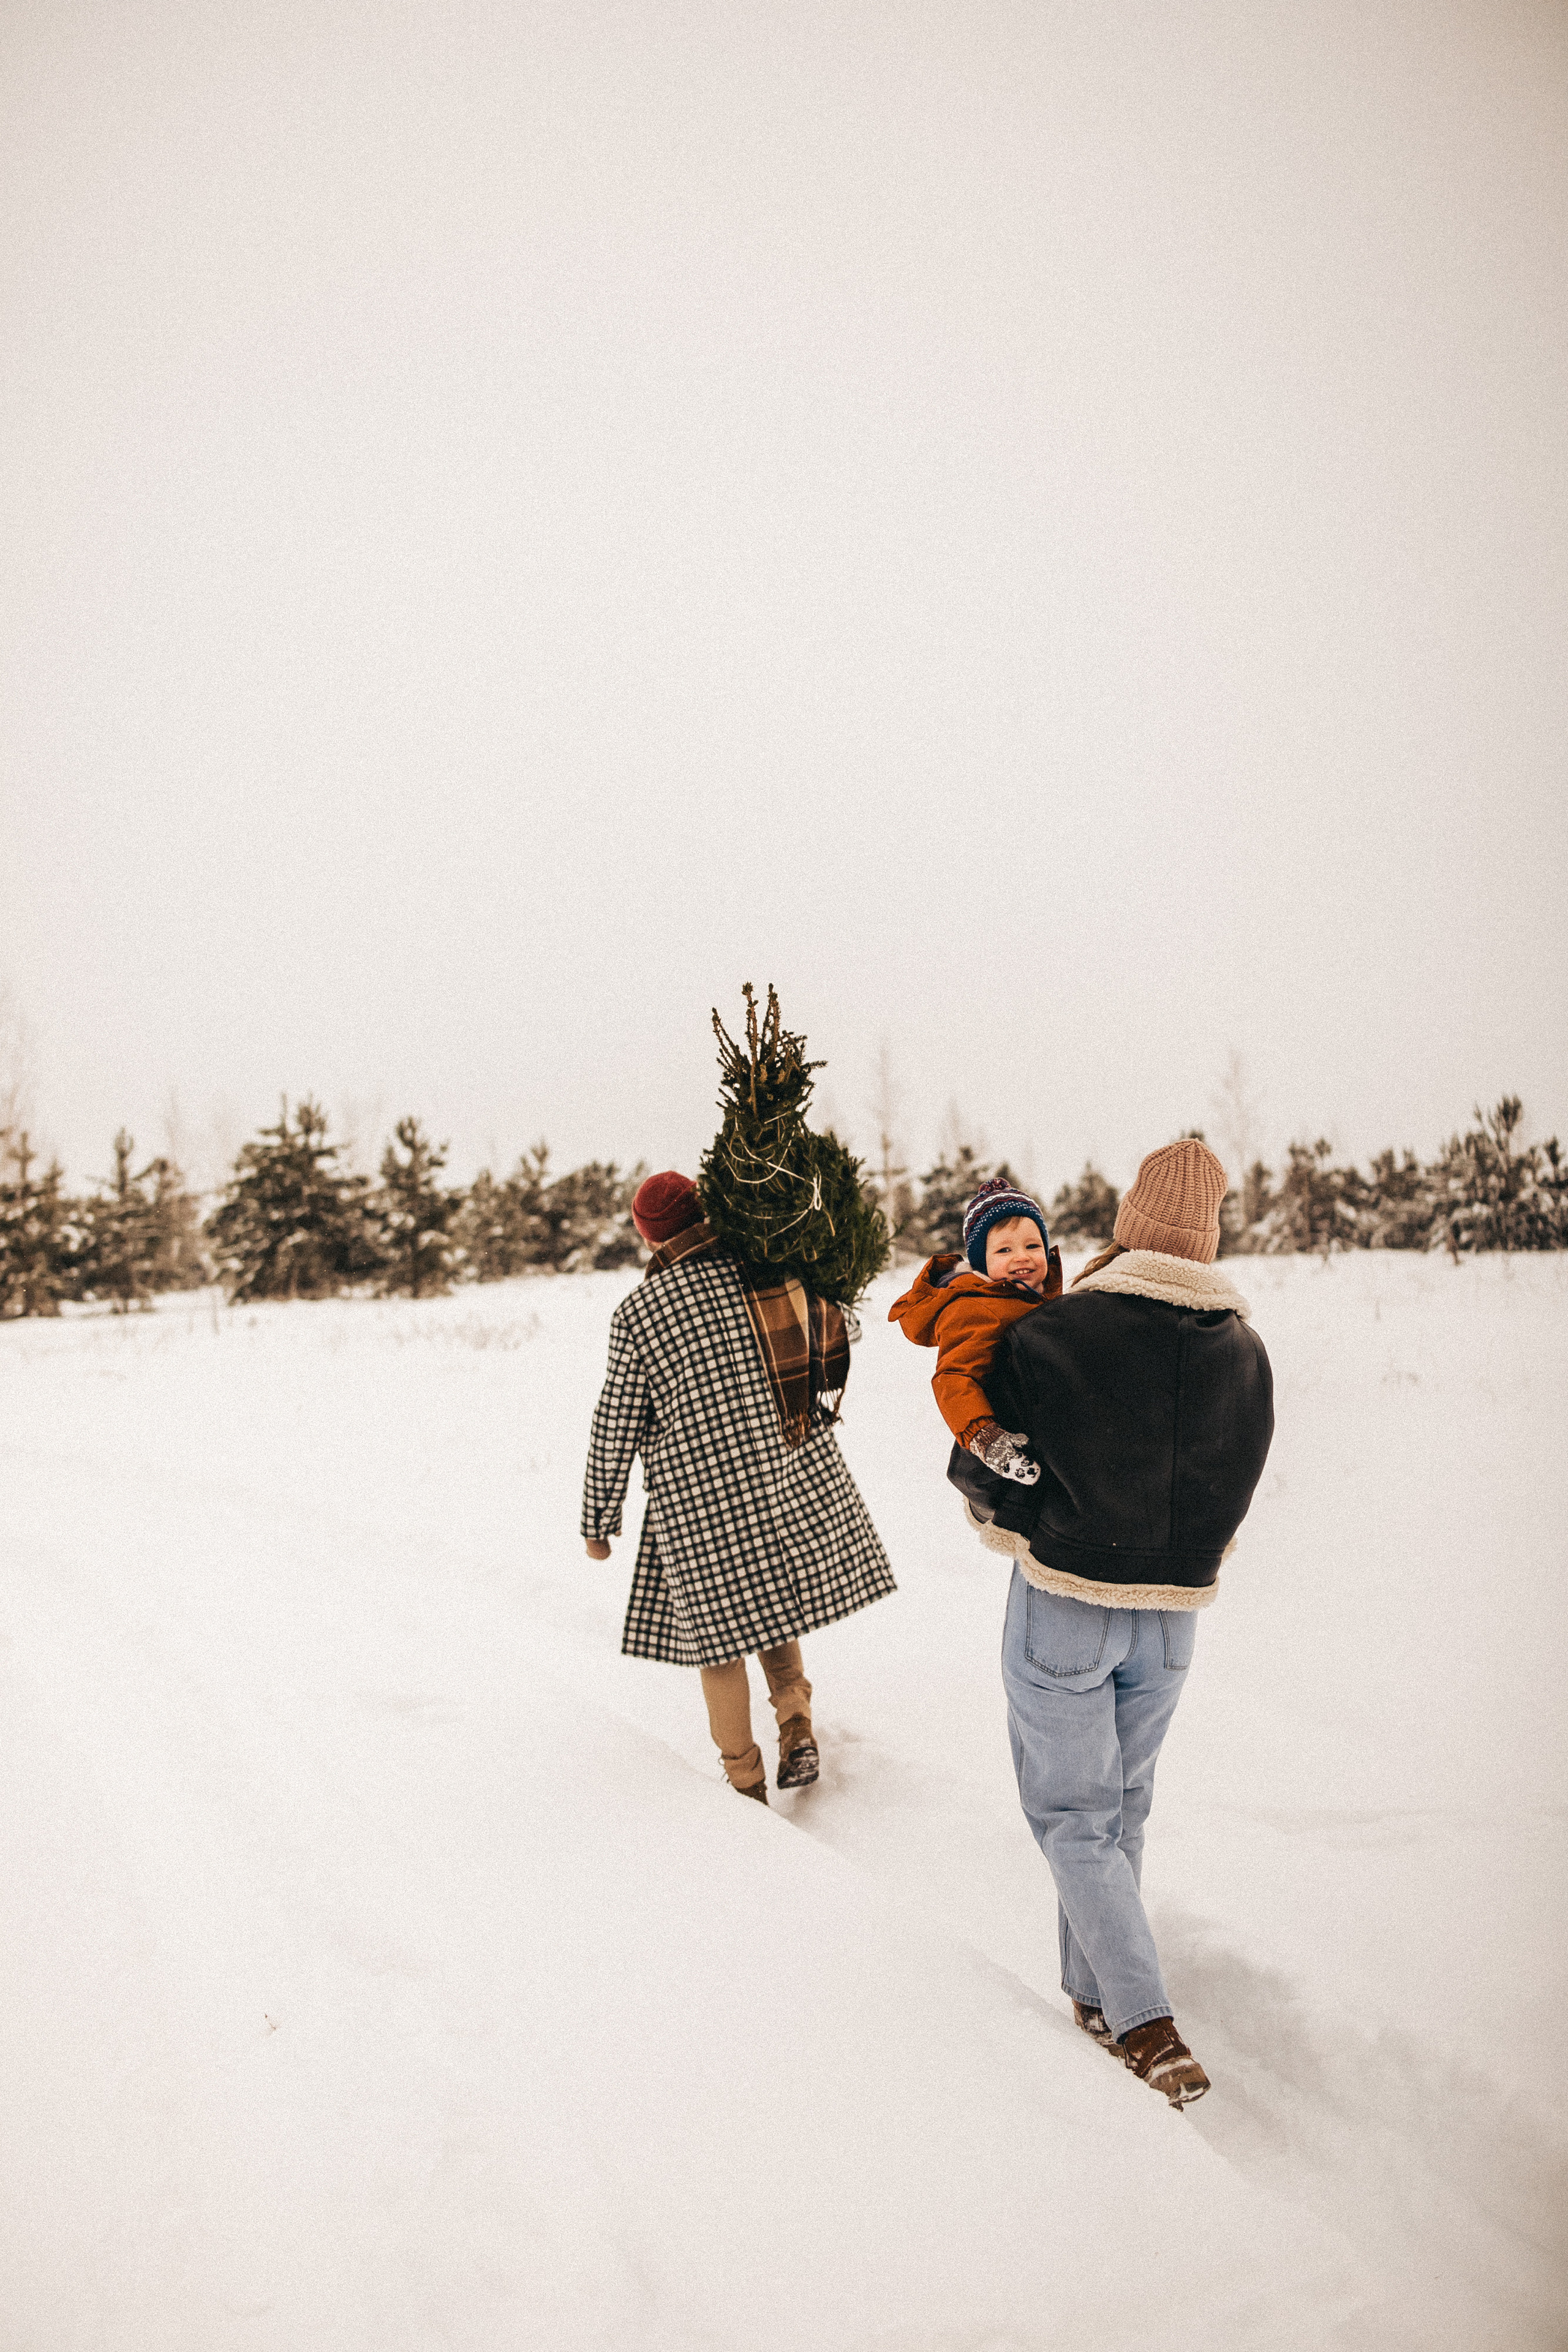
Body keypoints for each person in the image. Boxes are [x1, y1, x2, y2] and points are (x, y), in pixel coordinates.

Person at [953, 1140, 1274, 2106]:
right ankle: (1094, 1995)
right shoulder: (1246, 1351)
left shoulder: (1058, 1332)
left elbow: (983, 1468)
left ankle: (1146, 2023)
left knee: (1073, 1817)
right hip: (1173, 1624)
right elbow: (1239, 1481)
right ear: (1205, 1240)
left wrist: (1011, 1528)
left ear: (1131, 1225)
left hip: (1066, 1606)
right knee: (1121, 1808)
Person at [581, 1169, 895, 1804]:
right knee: (771, 1602)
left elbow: (616, 1419)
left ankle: (745, 1783)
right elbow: (834, 1332)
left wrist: (597, 1521)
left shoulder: (640, 1313)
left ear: (651, 1241)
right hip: (777, 1469)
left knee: (719, 1642)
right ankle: (795, 1719)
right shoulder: (766, 1270)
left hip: (696, 1499)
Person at [887, 1175, 1063, 1483]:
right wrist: (986, 1438)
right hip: (1013, 1439)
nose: (1022, 1256)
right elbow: (954, 1378)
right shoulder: (976, 1308)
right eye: (1004, 1251)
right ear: (981, 1261)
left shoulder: (1032, 1297)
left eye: (1033, 1245)